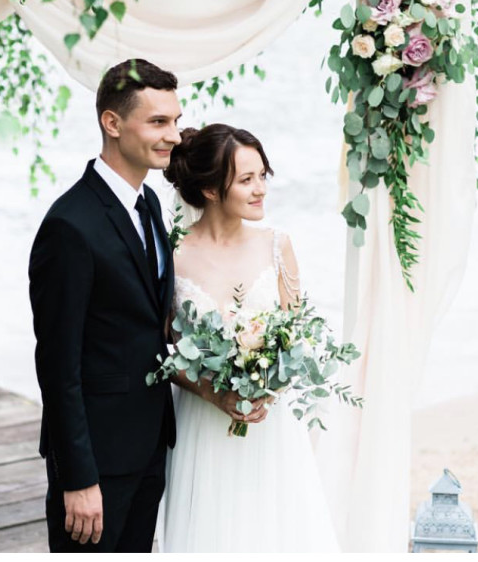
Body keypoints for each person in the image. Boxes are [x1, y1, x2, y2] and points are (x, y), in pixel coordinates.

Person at [159, 124, 339, 552]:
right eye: (246, 180)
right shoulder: (172, 255)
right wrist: (213, 392)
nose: (261, 189)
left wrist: (266, 390)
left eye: (262, 176)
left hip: (269, 427)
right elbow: (159, 352)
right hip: (201, 424)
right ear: (210, 190)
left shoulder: (277, 245)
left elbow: (296, 338)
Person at [28, 59, 180, 552]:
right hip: (96, 460)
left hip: (148, 443)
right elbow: (57, 364)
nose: (174, 135)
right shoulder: (69, 226)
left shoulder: (148, 204)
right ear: (112, 123)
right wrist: (78, 478)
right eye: (158, 121)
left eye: (175, 120)